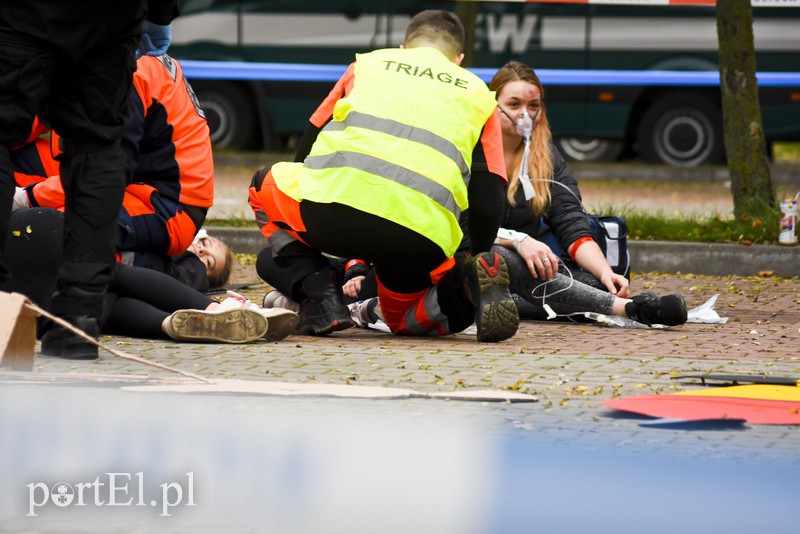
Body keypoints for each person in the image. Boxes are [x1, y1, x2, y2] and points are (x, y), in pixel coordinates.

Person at [249, 10, 519, 342]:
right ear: (458, 60)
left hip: (334, 213)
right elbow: (488, 200)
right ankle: (465, 282)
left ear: (403, 48)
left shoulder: (366, 66)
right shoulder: (479, 95)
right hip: (420, 237)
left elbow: (309, 139)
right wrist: (472, 255)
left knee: (261, 185)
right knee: (402, 318)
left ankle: (323, 296)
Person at [0, 1, 179, 360]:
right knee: (97, 148)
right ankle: (78, 319)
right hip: (109, 21)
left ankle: (6, 313)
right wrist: (158, 11)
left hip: (21, 15)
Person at [486, 61, 687, 325]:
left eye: (533, 106)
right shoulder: (474, 151)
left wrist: (607, 273)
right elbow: (464, 224)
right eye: (514, 105)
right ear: (493, 106)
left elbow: (572, 223)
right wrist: (519, 240)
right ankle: (628, 309)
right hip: (486, 255)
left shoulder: (545, 157)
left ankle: (510, 302)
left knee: (593, 283)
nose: (525, 114)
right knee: (504, 258)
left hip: (533, 270)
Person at [12, 52, 214, 273]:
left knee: (54, 232)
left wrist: (28, 198)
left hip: (167, 206)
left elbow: (105, 172)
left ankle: (173, 272)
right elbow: (33, 114)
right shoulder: (91, 53)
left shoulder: (126, 75)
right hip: (126, 175)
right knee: (15, 162)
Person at [3, 208, 298, 347]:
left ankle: (175, 324)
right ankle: (206, 314)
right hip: (36, 288)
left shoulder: (185, 263)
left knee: (106, 300)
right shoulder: (170, 240)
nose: (200, 251)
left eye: (207, 261)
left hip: (29, 299)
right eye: (205, 245)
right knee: (108, 286)